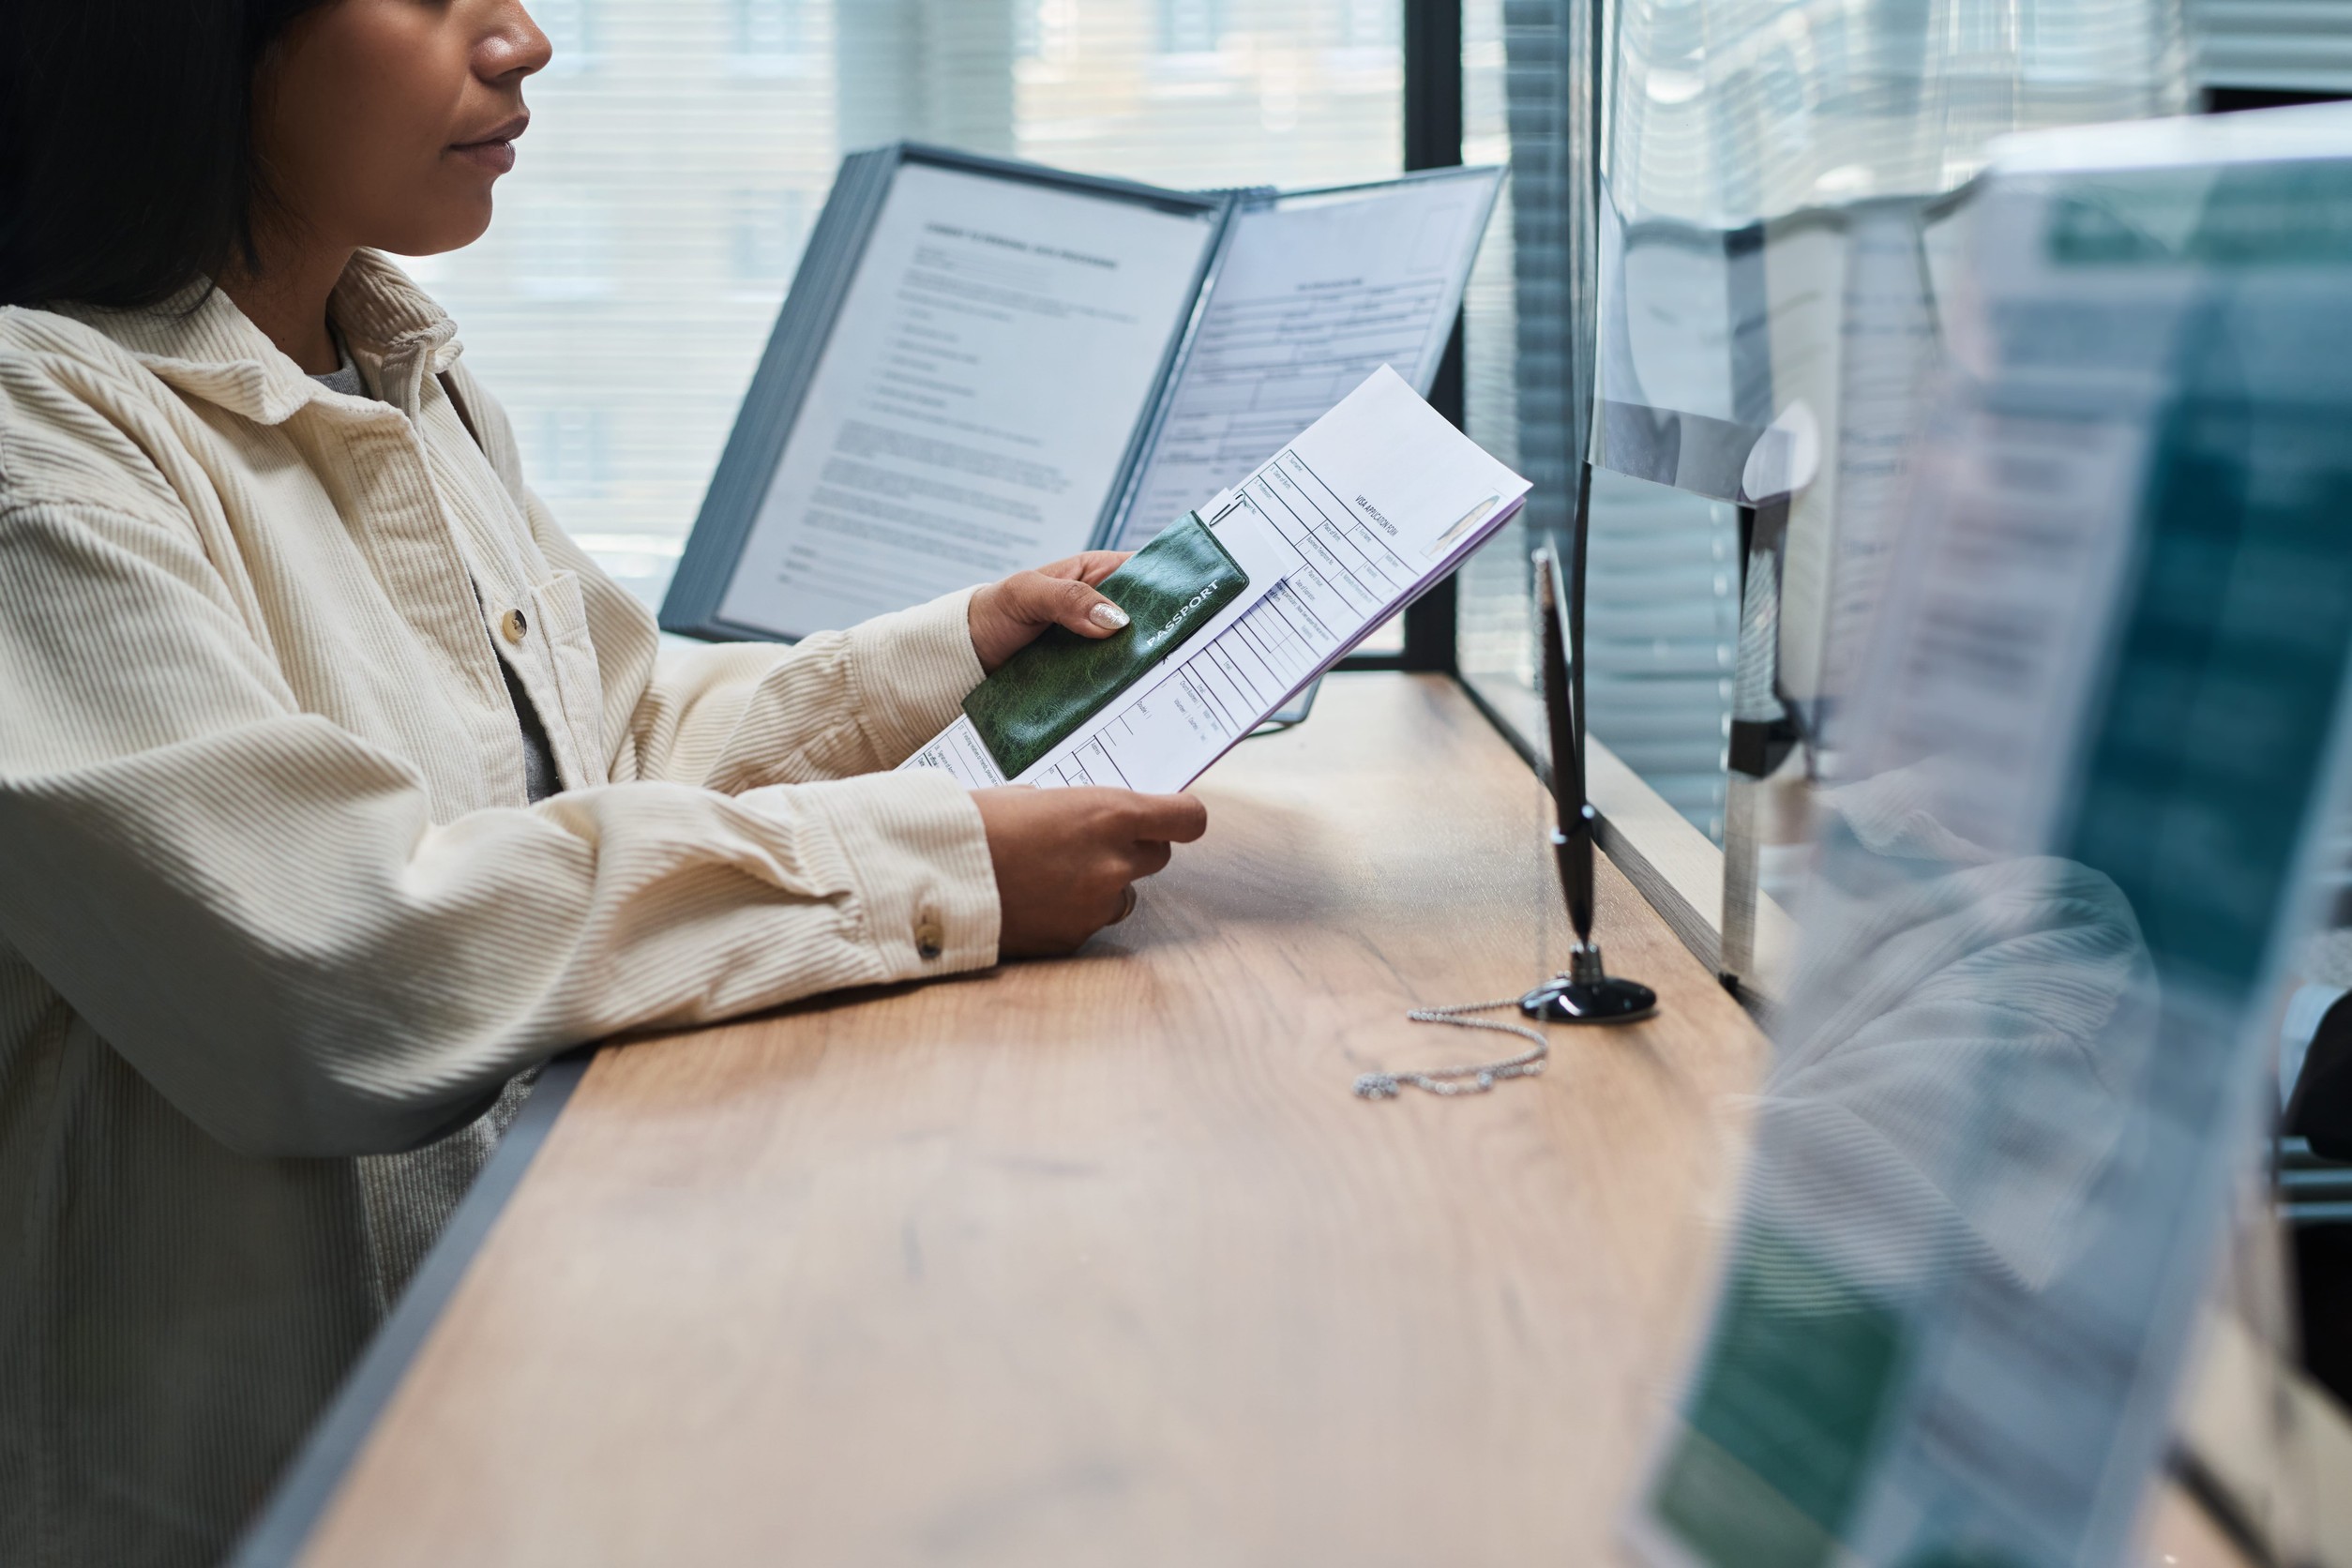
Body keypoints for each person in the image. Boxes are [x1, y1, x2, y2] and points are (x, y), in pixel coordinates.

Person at [0, 3, 1209, 1562]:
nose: (522, 40)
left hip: (499, 1358)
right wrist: (936, 872)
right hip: (241, 1489)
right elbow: (335, 965)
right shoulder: (41, 435)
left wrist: (957, 652)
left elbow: (605, 740)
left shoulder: (391, 361)